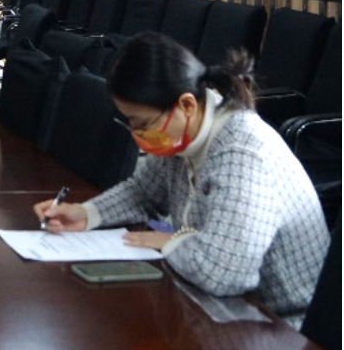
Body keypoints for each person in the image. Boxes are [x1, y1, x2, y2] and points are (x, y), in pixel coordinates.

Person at [35, 33, 329, 327]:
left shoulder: (241, 152)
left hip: (286, 325)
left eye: (143, 124)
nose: (139, 138)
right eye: (131, 125)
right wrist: (87, 213)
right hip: (224, 306)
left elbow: (225, 273)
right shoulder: (183, 135)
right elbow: (143, 193)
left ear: (186, 105)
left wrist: (171, 241)